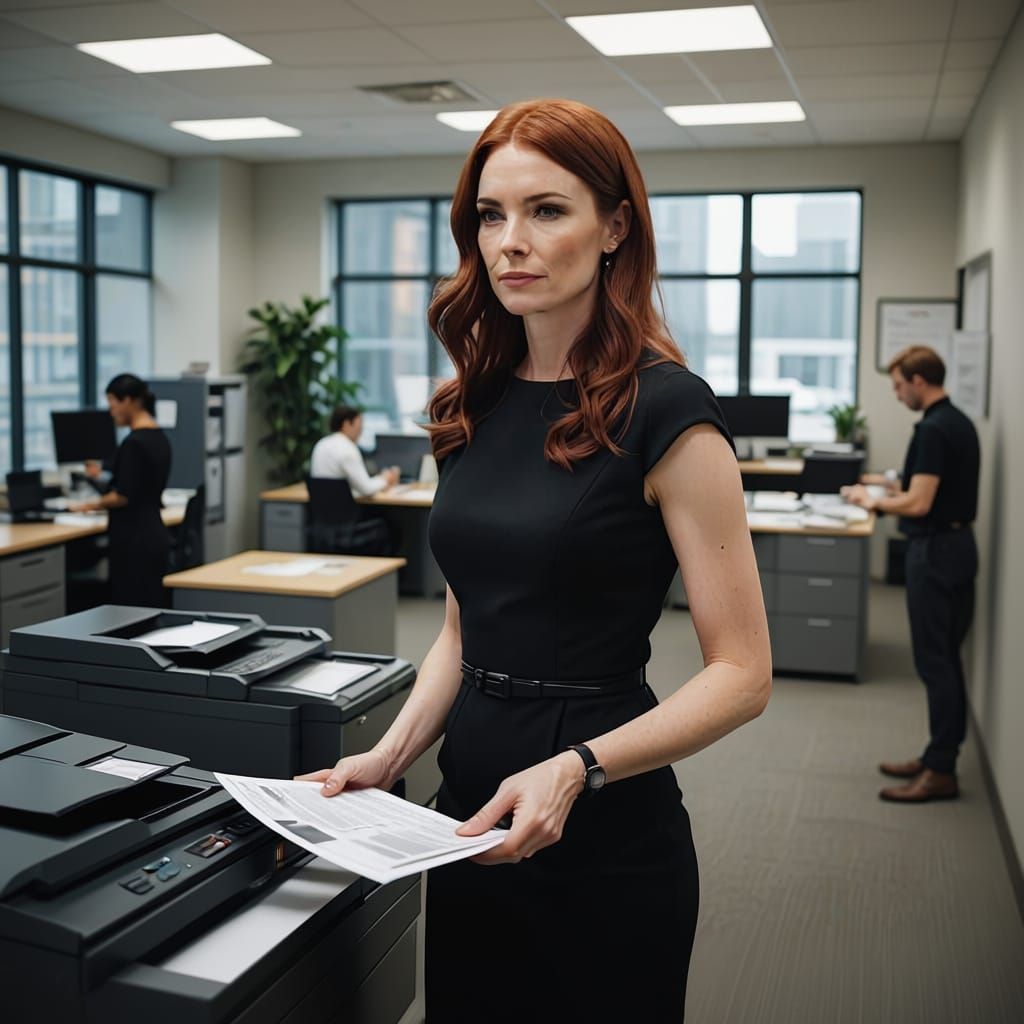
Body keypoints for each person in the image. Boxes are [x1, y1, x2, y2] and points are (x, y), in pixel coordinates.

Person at [297, 98, 772, 1022]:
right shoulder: (467, 405)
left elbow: (744, 674)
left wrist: (576, 768)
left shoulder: (669, 412)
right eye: (489, 214)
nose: (509, 240)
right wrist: (391, 756)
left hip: (601, 822)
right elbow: (459, 630)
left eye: (546, 210)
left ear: (614, 229)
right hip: (467, 815)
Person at [843, 345, 980, 803]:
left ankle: (940, 769)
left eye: (899, 385)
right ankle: (936, 755)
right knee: (942, 660)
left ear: (919, 381)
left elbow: (919, 502)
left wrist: (873, 503)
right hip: (955, 548)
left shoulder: (937, 429)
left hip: (936, 553)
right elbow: (921, 486)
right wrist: (877, 484)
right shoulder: (952, 421)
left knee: (935, 663)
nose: (898, 393)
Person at [70, 373, 173, 607]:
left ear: (128, 400)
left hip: (134, 540)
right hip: (153, 534)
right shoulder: (158, 436)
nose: (111, 411)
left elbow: (122, 496)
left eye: (112, 404)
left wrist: (87, 505)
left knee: (129, 609)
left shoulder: (134, 443)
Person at [309, 404, 400, 496]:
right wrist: (386, 479)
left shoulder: (321, 444)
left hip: (322, 508)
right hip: (345, 508)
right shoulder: (347, 448)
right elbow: (367, 489)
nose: (360, 432)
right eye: (359, 426)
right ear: (347, 424)